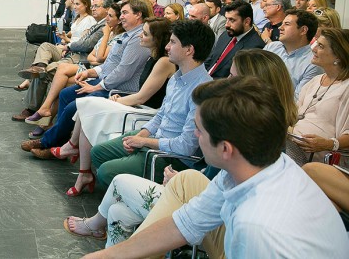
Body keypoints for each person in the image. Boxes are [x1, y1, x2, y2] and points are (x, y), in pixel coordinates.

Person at [82, 76, 349, 259]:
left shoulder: (258, 227)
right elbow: (183, 223)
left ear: (225, 149)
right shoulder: (255, 169)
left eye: (199, 130)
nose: (195, 137)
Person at [64, 49, 299, 250]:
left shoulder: (248, 133)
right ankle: (101, 229)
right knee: (117, 212)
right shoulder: (261, 126)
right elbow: (219, 182)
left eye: (232, 76)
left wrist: (182, 183)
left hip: (218, 221)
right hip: (210, 202)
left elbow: (218, 189)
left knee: (120, 183)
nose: (225, 80)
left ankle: (95, 226)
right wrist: (182, 181)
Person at [53, 17, 176, 195]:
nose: (140, 36)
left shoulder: (164, 62)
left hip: (144, 112)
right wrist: (122, 98)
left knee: (86, 107)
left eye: (145, 33)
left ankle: (76, 154)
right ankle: (83, 170)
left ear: (156, 39)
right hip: (136, 106)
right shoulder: (152, 56)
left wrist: (118, 100)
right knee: (85, 109)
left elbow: (142, 97)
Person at [89, 19, 215, 186]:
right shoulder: (177, 78)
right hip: (156, 141)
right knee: (97, 153)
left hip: (173, 159)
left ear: (189, 50)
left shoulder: (202, 90)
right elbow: (161, 114)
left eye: (172, 42)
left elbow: (185, 146)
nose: (167, 47)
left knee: (106, 171)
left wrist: (144, 142)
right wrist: (142, 134)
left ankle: (131, 200)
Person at [21, 0, 152, 158]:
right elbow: (109, 65)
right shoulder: (125, 35)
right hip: (105, 82)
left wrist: (97, 87)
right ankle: (60, 142)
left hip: (118, 90)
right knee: (65, 94)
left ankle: (48, 143)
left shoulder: (137, 40)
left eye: (125, 13)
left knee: (73, 106)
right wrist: (90, 73)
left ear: (138, 15)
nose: (121, 17)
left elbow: (123, 73)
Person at [21, 0, 110, 123]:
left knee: (45, 71)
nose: (93, 9)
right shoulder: (95, 23)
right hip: (73, 51)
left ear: (107, 10)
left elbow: (87, 46)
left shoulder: (104, 27)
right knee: (45, 47)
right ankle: (39, 67)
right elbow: (81, 40)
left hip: (80, 56)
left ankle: (33, 108)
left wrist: (68, 45)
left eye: (97, 6)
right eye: (93, 6)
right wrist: (66, 40)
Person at [287, 27, 349, 166]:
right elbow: (295, 114)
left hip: (323, 158)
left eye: (320, 46)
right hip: (295, 145)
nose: (313, 49)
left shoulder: (346, 87)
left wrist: (328, 144)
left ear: (338, 56)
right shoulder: (315, 81)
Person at [264, 9, 322, 98]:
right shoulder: (271, 47)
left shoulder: (313, 63)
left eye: (287, 24)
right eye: (282, 23)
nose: (280, 27)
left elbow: (297, 100)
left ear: (303, 30)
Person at [204, 1, 265, 78]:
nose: (226, 25)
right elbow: (211, 59)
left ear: (247, 21)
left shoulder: (255, 47)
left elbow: (240, 81)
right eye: (226, 19)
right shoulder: (226, 35)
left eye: (232, 20)